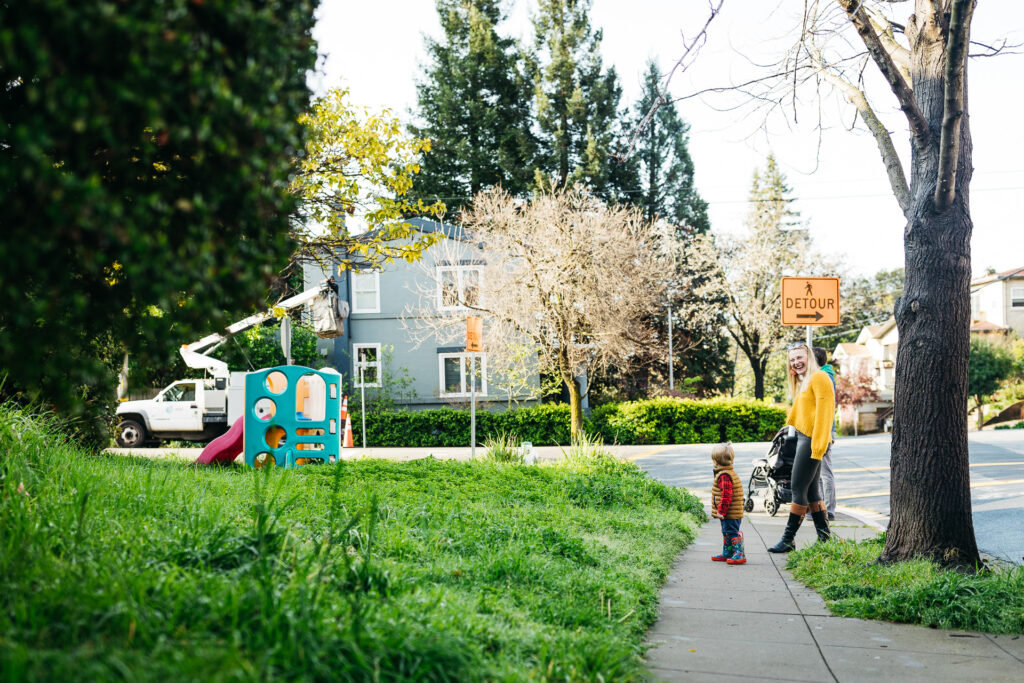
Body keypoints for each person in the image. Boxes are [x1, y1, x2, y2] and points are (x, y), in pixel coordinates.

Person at [768, 341, 836, 552]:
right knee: (813, 491)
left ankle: (788, 539)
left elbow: (826, 414)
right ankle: (825, 538)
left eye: (800, 357)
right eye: (792, 360)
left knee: (798, 488)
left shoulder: (820, 377)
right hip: (805, 439)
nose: (796, 362)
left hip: (812, 441)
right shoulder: (806, 380)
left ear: (810, 358)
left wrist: (818, 446)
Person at [710, 442, 746, 565]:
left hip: (729, 512)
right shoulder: (727, 472)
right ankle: (728, 552)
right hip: (730, 512)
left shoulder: (724, 475)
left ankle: (739, 553)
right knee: (726, 532)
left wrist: (721, 511)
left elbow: (726, 495)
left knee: (731, 532)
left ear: (715, 461)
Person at [813, 346, 838, 521]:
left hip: (824, 429)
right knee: (819, 472)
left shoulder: (824, 377)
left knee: (824, 472)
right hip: (824, 428)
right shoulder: (825, 375)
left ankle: (828, 510)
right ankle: (821, 507)